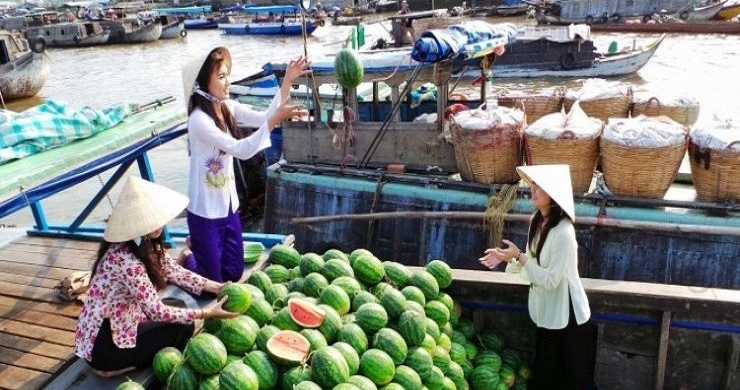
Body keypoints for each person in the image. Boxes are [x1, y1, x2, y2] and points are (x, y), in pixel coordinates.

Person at [74, 176, 239, 378]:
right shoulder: (129, 262)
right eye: (148, 221)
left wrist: (219, 287)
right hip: (105, 345)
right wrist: (206, 313)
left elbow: (173, 270)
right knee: (185, 325)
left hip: (109, 327)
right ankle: (110, 367)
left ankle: (119, 359)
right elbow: (157, 311)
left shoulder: (139, 243)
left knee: (177, 304)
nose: (157, 225)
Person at [180, 46, 309, 284]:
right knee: (214, 283)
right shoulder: (199, 120)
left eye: (227, 75)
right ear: (200, 83)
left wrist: (287, 82)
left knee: (234, 273)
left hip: (228, 206)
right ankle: (188, 260)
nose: (227, 82)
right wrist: (276, 120)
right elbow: (241, 149)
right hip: (205, 212)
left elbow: (263, 118)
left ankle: (196, 251)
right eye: (221, 77)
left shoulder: (226, 106)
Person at [478, 164, 597, 390]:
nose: (532, 189)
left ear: (553, 194)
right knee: (545, 376)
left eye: (539, 186)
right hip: (547, 312)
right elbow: (532, 263)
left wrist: (519, 257)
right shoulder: (536, 221)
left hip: (569, 315)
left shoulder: (563, 232)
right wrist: (507, 258)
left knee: (577, 380)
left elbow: (550, 279)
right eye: (532, 184)